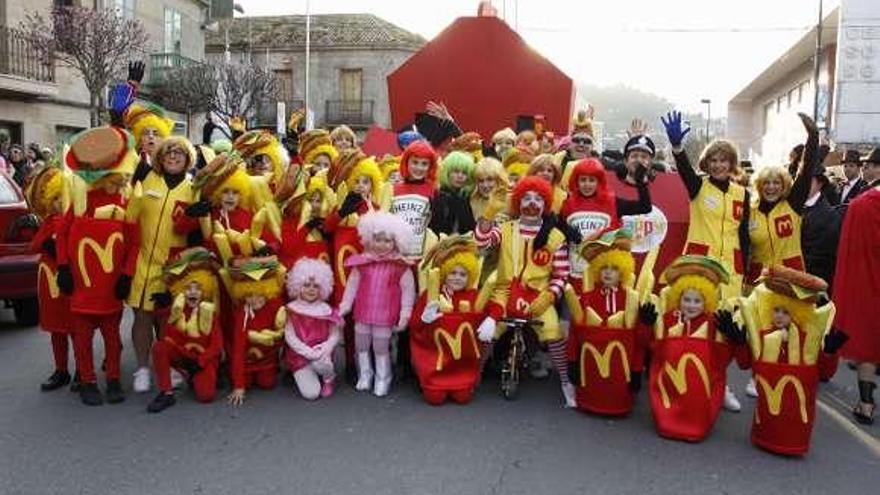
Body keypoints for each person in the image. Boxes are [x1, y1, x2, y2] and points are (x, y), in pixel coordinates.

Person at [56, 126, 140, 406]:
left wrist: (126, 275)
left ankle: (114, 379)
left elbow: (133, 242)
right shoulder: (80, 202)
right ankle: (88, 381)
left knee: (112, 339)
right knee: (82, 340)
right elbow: (63, 234)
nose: (121, 185)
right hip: (81, 287)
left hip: (110, 287)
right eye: (117, 180)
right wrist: (64, 267)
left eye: (123, 180)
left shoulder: (126, 203)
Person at [475, 176, 575, 407]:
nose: (532, 203)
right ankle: (475, 373)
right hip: (504, 293)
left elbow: (561, 275)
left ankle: (564, 381)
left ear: (546, 204)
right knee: (488, 332)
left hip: (539, 296)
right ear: (518, 202)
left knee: (553, 331)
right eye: (527, 198)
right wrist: (489, 214)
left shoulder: (556, 237)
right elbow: (481, 243)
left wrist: (549, 296)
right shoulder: (506, 229)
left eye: (538, 198)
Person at [730, 266, 848, 455]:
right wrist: (740, 343)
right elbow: (746, 364)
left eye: (785, 312)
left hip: (796, 431)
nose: (778, 315)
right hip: (765, 428)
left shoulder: (808, 340)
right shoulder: (763, 335)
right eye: (776, 310)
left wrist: (830, 352)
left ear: (797, 314)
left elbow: (825, 372)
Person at [646, 255, 748, 442]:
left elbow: (725, 360)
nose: (691, 305)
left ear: (707, 301)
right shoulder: (668, 318)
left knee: (698, 415)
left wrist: (735, 338)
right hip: (669, 385)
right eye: (687, 299)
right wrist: (646, 325)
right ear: (678, 297)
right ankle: (668, 419)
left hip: (700, 387)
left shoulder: (713, 324)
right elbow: (653, 348)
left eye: (697, 301)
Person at [126, 136, 197, 394]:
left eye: (179, 152)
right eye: (168, 152)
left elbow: (195, 231)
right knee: (142, 316)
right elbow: (122, 152)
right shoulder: (146, 179)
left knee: (170, 320)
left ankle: (169, 367)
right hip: (143, 261)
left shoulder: (194, 188)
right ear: (160, 156)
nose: (173, 156)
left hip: (175, 264)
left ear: (188, 158)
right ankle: (143, 368)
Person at [662, 111, 750, 300]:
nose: (718, 165)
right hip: (700, 262)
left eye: (723, 160)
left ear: (731, 163)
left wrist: (746, 269)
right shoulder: (698, 186)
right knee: (698, 317)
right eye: (714, 160)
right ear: (707, 163)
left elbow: (744, 235)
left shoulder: (743, 194)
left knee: (727, 319)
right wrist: (677, 147)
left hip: (731, 267)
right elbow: (685, 168)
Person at [564, 229, 651, 416]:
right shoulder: (585, 298)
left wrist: (636, 370)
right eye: (604, 267)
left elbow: (639, 342)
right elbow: (574, 334)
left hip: (619, 379)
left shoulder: (631, 299)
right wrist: (572, 362)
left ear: (623, 272)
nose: (608, 273)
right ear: (597, 270)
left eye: (614, 268)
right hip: (591, 375)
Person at [339, 211, 416, 397]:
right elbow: (352, 285)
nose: (382, 245)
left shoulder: (400, 266)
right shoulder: (363, 263)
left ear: (396, 242)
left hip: (385, 314)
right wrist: (346, 303)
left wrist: (405, 313)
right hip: (363, 312)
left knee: (381, 347)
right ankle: (365, 374)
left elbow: (408, 292)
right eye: (377, 240)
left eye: (387, 241)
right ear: (368, 239)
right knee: (361, 344)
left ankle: (383, 377)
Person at [410, 236, 489, 405]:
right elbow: (414, 325)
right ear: (444, 272)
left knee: (463, 397)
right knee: (434, 399)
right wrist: (424, 318)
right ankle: (432, 383)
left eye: (463, 274)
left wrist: (491, 320)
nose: (457, 278)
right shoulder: (431, 294)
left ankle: (461, 382)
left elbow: (493, 307)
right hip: (435, 361)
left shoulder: (474, 296)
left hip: (461, 365)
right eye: (453, 272)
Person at [147, 248, 222, 413]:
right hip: (183, 355)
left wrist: (200, 362)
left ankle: (197, 377)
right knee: (159, 347)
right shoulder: (176, 310)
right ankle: (166, 392)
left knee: (206, 396)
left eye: (198, 288)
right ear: (181, 291)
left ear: (205, 291)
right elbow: (165, 335)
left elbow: (216, 347)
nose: (193, 292)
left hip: (202, 360)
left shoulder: (210, 312)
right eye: (188, 288)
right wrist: (163, 305)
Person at [747, 113, 817, 284]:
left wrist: (813, 136)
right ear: (759, 186)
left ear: (783, 185)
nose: (771, 187)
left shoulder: (792, 204)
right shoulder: (750, 212)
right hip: (758, 282)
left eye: (776, 183)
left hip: (790, 279)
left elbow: (806, 170)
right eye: (766, 183)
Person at [560, 157, 652, 287]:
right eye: (583, 180)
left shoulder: (612, 202)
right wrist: (565, 229)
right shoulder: (567, 204)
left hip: (604, 279)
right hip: (575, 274)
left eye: (592, 180)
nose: (587, 184)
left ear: (599, 181)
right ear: (576, 181)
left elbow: (645, 207)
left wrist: (640, 181)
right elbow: (556, 225)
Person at [832, 179, 880, 425]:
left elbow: (850, 253)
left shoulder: (862, 205)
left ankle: (866, 403)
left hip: (870, 285)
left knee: (869, 345)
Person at [24, 164, 75, 391]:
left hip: (71, 280)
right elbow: (33, 247)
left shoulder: (76, 220)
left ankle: (83, 370)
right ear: (49, 201)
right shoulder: (48, 222)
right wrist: (46, 238)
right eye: (56, 199)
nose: (60, 203)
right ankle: (61, 370)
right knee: (56, 330)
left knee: (76, 329)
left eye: (64, 198)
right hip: (49, 281)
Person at [225, 255, 287, 406]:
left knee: (267, 383)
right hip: (246, 361)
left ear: (267, 290)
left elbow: (277, 264)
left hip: (266, 360)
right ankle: (240, 376)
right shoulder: (242, 313)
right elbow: (238, 349)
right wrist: (238, 386)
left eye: (260, 293)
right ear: (243, 295)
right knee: (245, 382)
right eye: (249, 295)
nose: (255, 299)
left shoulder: (275, 304)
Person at [284, 258, 342, 400]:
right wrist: (308, 352)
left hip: (322, 354)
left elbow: (335, 334)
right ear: (297, 286)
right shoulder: (292, 309)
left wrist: (324, 349)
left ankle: (329, 378)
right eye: (306, 285)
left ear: (322, 288)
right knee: (311, 394)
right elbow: (289, 336)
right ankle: (304, 373)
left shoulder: (326, 309)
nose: (311, 289)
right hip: (300, 357)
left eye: (315, 286)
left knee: (323, 364)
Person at [381, 140, 439, 258]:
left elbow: (436, 226)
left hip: (423, 257)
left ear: (430, 166)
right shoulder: (392, 189)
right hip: (395, 256)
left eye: (424, 164)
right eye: (415, 162)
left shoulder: (434, 191)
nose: (419, 167)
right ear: (406, 163)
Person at [801, 166, 841, 290]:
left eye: (808, 181)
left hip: (812, 285)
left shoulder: (827, 215)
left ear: (820, 184)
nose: (802, 185)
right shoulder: (795, 207)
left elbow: (821, 259)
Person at [430, 150, 476, 236]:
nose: (460, 176)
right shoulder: (437, 197)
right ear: (447, 172)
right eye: (456, 171)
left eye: (464, 173)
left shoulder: (468, 198)